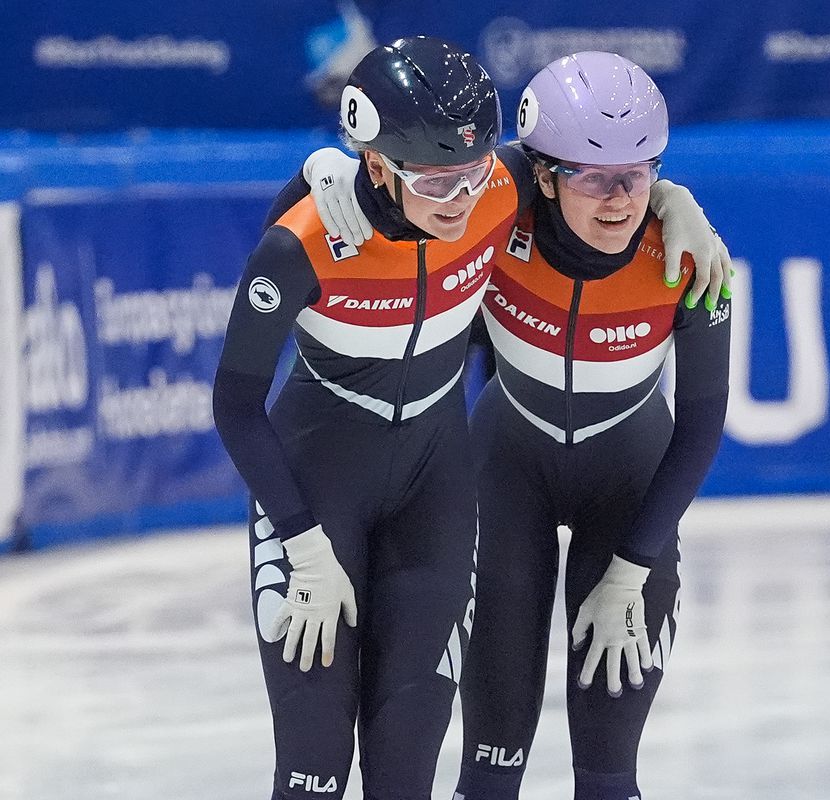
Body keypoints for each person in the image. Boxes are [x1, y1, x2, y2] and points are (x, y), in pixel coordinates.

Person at [216, 36, 728, 800]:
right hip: (339, 478)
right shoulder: (329, 237)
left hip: (447, 479)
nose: (460, 201)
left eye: (472, 176)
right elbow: (234, 401)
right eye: (437, 183)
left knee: (418, 772)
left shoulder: (516, 195)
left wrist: (675, 197)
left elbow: (588, 167)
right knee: (316, 774)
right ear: (382, 165)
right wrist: (318, 170)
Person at [453, 53, 732, 800]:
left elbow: (703, 423)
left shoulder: (689, 261)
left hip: (630, 493)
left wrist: (634, 567)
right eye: (589, 176)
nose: (616, 200)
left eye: (636, 175)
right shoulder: (494, 208)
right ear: (543, 175)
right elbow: (421, 184)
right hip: (505, 477)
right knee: (488, 773)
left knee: (608, 780)